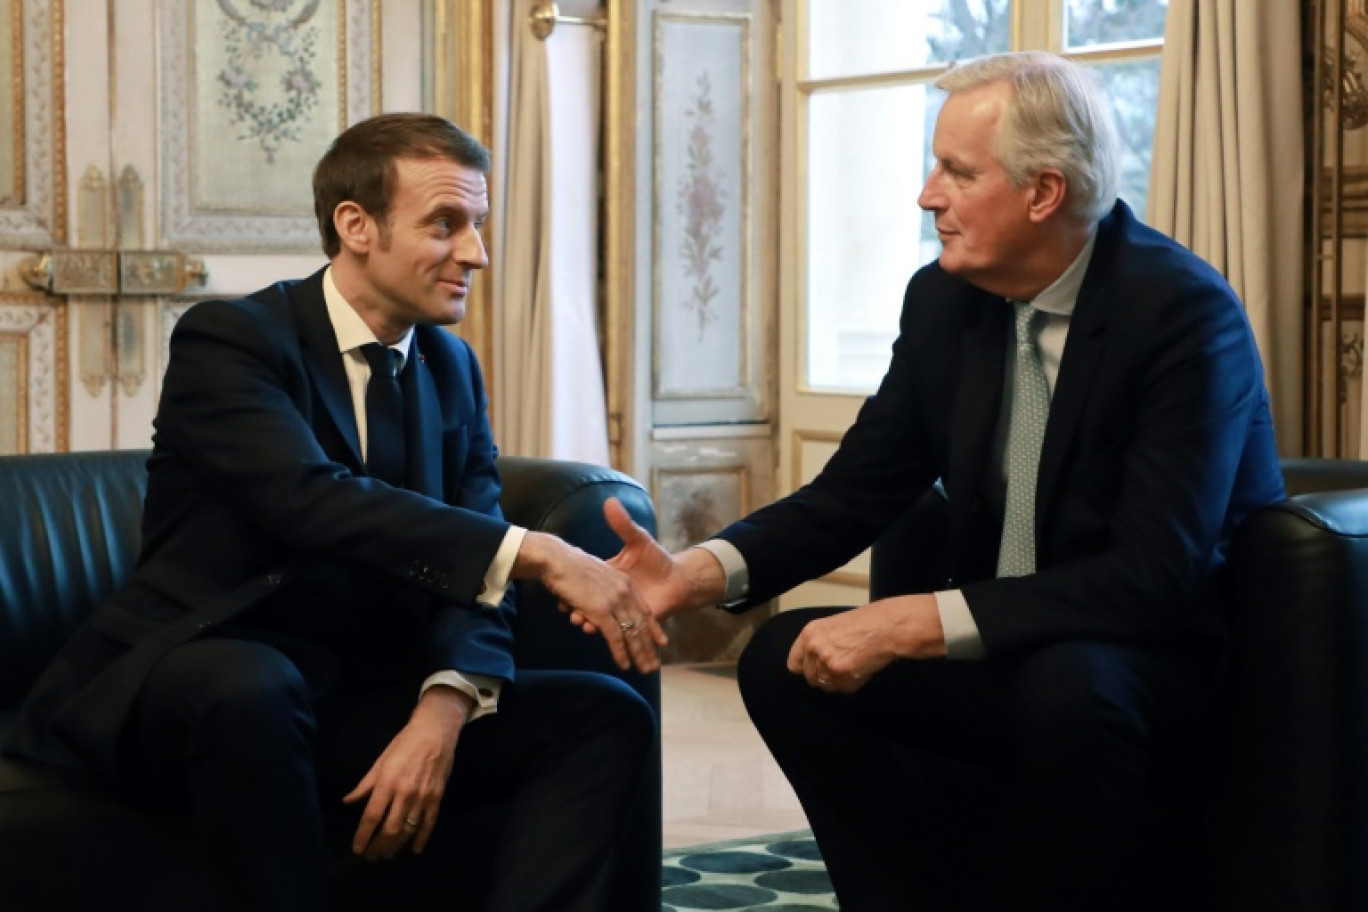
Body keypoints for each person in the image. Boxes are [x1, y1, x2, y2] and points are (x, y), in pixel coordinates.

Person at [595, 51, 1286, 911]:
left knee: (1063, 686)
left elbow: (1151, 580)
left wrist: (920, 620)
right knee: (785, 659)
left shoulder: (1181, 313)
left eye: (958, 171)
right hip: (1011, 645)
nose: (928, 195)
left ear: (1043, 192)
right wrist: (696, 574)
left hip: (1153, 663)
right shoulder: (944, 301)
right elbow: (855, 490)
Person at [6, 113, 665, 912]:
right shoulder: (233, 339)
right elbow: (310, 500)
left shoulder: (452, 367)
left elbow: (474, 574)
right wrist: (543, 552)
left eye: (479, 226)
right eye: (445, 224)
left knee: (603, 716)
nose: (476, 254)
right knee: (254, 684)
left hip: (352, 687)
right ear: (356, 225)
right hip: (203, 667)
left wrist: (445, 704)